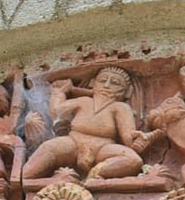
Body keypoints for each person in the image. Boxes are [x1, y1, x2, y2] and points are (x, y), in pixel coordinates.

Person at [22, 66, 161, 180]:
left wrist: (139, 140)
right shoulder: (84, 101)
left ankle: (96, 173)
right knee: (48, 147)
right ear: (93, 83)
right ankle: (26, 177)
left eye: (115, 83)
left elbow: (128, 139)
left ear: (127, 92)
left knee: (133, 160)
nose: (107, 85)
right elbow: (57, 112)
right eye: (103, 81)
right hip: (73, 142)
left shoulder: (121, 108)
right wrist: (59, 92)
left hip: (102, 148)